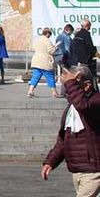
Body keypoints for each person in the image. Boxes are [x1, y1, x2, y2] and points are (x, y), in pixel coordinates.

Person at [42, 65, 100, 195]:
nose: (68, 88)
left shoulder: (95, 101)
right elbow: (63, 139)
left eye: (73, 84)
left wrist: (70, 82)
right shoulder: (71, 109)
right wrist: (51, 161)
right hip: (78, 170)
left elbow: (83, 106)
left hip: (94, 170)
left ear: (87, 85)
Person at [29, 28, 60, 98]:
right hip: (45, 62)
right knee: (50, 77)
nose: (50, 36)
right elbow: (51, 51)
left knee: (35, 76)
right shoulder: (47, 40)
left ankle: (30, 90)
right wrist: (55, 48)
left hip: (36, 60)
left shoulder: (37, 40)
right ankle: (54, 92)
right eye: (50, 34)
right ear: (48, 33)